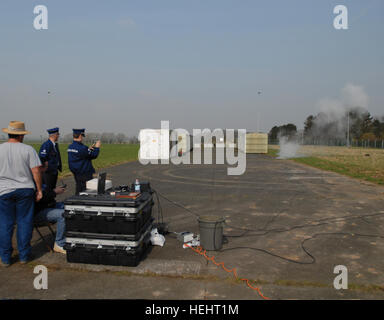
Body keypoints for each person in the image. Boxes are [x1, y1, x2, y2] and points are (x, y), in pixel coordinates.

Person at [0, 121, 43, 267]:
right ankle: (24, 255)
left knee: (5, 224)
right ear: (21, 135)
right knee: (24, 222)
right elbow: (36, 170)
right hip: (25, 189)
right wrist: (39, 189)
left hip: (4, 191)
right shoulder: (28, 149)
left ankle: (5, 257)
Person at [34, 167, 67, 254]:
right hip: (38, 212)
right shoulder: (31, 181)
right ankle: (59, 244)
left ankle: (71, 236)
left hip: (47, 206)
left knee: (69, 206)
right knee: (62, 214)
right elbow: (39, 198)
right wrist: (54, 192)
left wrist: (53, 191)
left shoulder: (42, 178)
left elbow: (46, 193)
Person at [67, 129, 101, 194]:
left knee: (78, 188)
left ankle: (76, 200)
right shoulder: (82, 148)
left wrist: (88, 149)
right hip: (84, 173)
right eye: (82, 136)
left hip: (76, 172)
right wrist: (97, 148)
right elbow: (94, 155)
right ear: (80, 136)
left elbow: (82, 154)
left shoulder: (70, 147)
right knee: (85, 191)